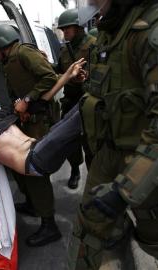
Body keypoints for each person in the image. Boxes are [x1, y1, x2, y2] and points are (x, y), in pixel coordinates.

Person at [68, 0, 158, 269]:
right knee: (89, 234)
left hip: (147, 161)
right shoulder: (111, 31)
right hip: (108, 156)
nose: (93, 5)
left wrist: (124, 191)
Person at [0, 24, 62, 247]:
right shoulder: (9, 61)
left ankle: (50, 224)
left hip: (40, 120)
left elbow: (50, 77)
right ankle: (31, 203)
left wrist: (27, 100)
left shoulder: (24, 53)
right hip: (28, 119)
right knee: (18, 167)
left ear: (1, 44)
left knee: (35, 170)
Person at [56, 9, 97, 189]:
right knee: (70, 141)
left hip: (89, 101)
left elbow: (105, 70)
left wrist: (88, 76)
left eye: (68, 29)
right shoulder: (65, 49)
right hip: (70, 101)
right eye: (63, 30)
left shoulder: (94, 45)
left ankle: (94, 179)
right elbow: (58, 70)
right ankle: (75, 170)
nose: (64, 33)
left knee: (91, 142)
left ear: (79, 27)